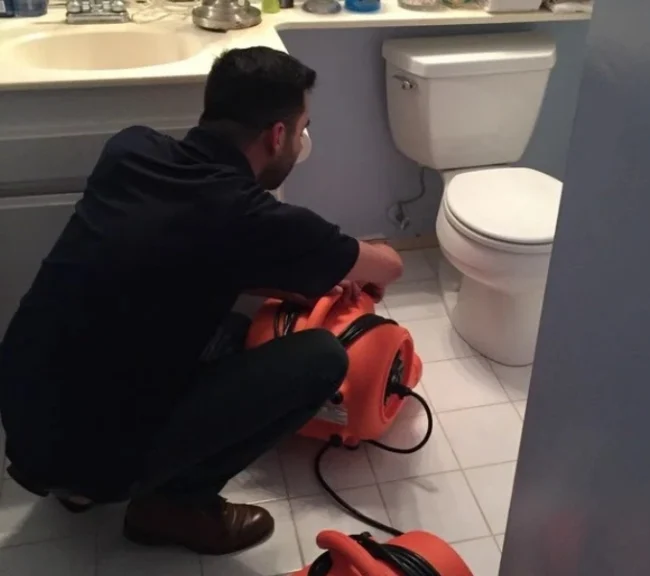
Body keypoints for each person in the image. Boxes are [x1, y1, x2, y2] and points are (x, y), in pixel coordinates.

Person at [0, 47, 403, 556]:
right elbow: (389, 266)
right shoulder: (251, 216)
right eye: (302, 129)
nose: (300, 141)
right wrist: (330, 262)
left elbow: (184, 255)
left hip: (26, 419)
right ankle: (173, 505)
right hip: (90, 458)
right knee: (321, 357)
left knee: (228, 334)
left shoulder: (130, 150)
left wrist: (292, 280)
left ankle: (78, 489)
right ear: (277, 135)